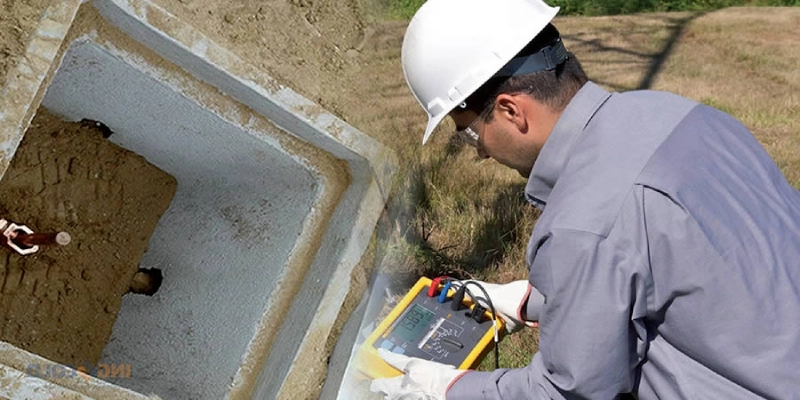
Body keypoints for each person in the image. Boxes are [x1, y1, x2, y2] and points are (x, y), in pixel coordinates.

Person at [368, 0, 800, 398]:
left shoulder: (584, 223)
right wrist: (529, 300)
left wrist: (445, 388)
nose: (479, 150)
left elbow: (565, 392)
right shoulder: (682, 116)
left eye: (468, 133)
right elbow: (676, 270)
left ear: (510, 110)